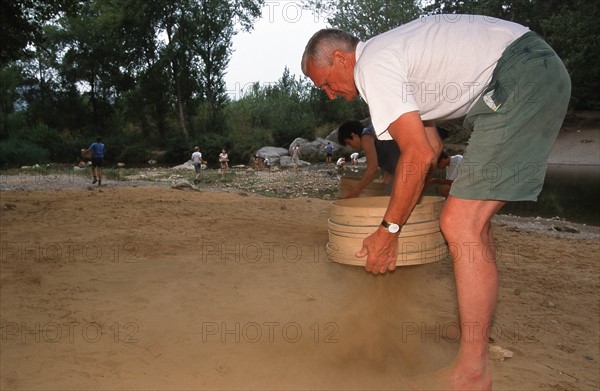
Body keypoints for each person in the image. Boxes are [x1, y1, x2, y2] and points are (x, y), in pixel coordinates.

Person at [302, 15, 570, 391]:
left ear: (343, 60)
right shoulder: (390, 58)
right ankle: (470, 329)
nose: (330, 94)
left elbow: (417, 156)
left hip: (522, 75)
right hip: (532, 69)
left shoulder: (373, 67)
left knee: (460, 223)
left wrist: (389, 230)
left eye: (327, 83)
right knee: (473, 223)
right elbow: (432, 147)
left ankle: (472, 373)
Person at [338, 120, 400, 198]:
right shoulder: (373, 132)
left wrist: (355, 191)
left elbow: (372, 168)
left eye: (349, 142)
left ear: (354, 135)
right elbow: (393, 155)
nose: (351, 146)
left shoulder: (366, 136)